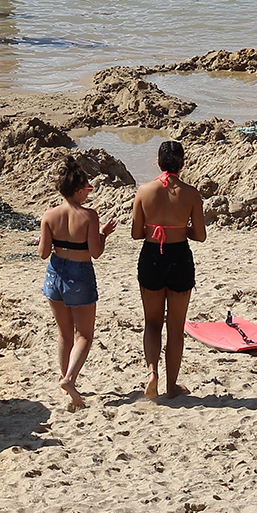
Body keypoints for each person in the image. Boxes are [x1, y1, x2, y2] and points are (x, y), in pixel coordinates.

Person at [40, 155, 116, 410]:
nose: (88, 194)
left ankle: (65, 379)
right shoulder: (89, 216)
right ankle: (70, 379)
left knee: (64, 334)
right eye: (87, 189)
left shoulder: (49, 215)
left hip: (55, 273)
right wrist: (103, 234)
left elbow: (43, 252)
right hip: (80, 273)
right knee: (84, 334)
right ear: (78, 189)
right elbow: (95, 252)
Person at [133, 140, 205, 400]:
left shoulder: (144, 191)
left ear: (158, 162)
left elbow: (135, 233)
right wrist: (176, 229)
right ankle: (171, 387)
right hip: (179, 257)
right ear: (182, 163)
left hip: (152, 255)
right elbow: (200, 235)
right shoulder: (191, 193)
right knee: (175, 328)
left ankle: (152, 371)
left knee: (152, 323)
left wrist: (157, 229)